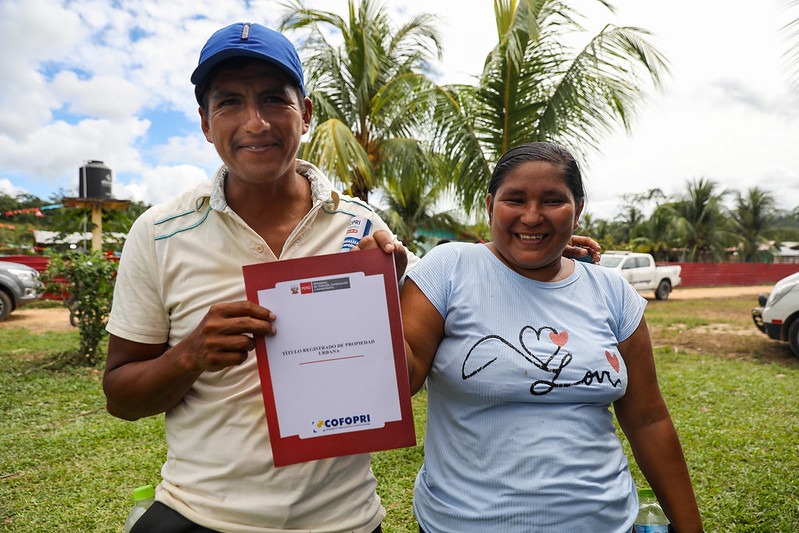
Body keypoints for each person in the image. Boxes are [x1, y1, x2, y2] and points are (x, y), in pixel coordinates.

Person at [103, 22, 601, 533]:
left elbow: (401, 379)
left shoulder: (361, 227)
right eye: (229, 102)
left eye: (275, 99)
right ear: (206, 124)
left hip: (345, 519)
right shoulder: (160, 233)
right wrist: (190, 355)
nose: (255, 122)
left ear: (307, 114)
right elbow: (120, 396)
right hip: (200, 515)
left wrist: (546, 248)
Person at [398, 142, 703, 532]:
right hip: (463, 522)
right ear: (491, 205)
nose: (532, 216)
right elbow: (403, 380)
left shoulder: (612, 292)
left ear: (577, 211)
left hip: (605, 522)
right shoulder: (450, 269)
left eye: (553, 201)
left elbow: (648, 420)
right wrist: (369, 298)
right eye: (516, 199)